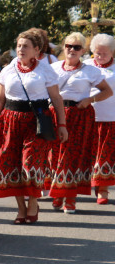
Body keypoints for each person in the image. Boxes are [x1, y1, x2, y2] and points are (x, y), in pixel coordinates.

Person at [0, 31, 69, 223]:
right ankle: (21, 209)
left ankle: (32, 201)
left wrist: (62, 124)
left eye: (26, 46)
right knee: (13, 166)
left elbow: (56, 98)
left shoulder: (46, 70)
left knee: (30, 164)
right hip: (11, 121)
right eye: (19, 45)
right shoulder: (8, 69)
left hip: (37, 121)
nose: (21, 49)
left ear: (37, 50)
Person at [47, 32, 111, 213]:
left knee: (71, 156)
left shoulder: (90, 70)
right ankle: (58, 193)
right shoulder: (54, 68)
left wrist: (90, 100)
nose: (72, 50)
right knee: (55, 155)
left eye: (76, 47)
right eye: (69, 46)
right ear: (64, 47)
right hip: (56, 113)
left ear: (83, 50)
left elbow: (107, 91)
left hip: (79, 115)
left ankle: (70, 198)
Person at [86, 33, 115, 204]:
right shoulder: (87, 66)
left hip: (111, 117)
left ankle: (102, 189)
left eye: (104, 53)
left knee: (105, 154)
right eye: (97, 53)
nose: (100, 56)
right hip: (88, 117)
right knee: (89, 153)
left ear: (112, 52)